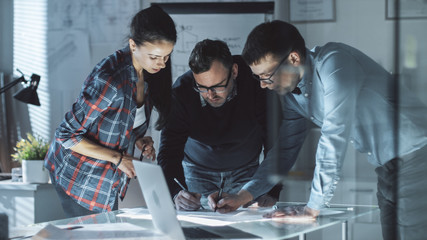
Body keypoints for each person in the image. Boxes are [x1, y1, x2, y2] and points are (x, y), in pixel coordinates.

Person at [242, 20, 427, 240]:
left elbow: (334, 134)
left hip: (418, 158)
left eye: (266, 75)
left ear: (293, 58)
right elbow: (285, 150)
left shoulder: (334, 61)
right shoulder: (294, 96)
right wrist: (244, 194)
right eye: (258, 77)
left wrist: (312, 208)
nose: (263, 85)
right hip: (385, 168)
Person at [44, 6, 177, 218]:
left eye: (166, 56)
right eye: (154, 57)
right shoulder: (111, 81)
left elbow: (121, 124)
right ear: (133, 45)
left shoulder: (147, 73)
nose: (161, 64)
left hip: (106, 181)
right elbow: (65, 135)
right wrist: (118, 158)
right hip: (79, 177)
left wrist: (138, 140)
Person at [157, 39, 286, 213]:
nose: (210, 95)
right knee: (198, 230)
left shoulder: (257, 81)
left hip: (246, 171)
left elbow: (275, 140)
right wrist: (176, 193)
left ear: (234, 71)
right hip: (197, 171)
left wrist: (273, 189)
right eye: (202, 88)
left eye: (218, 87)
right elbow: (169, 151)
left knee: (249, 230)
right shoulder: (182, 91)